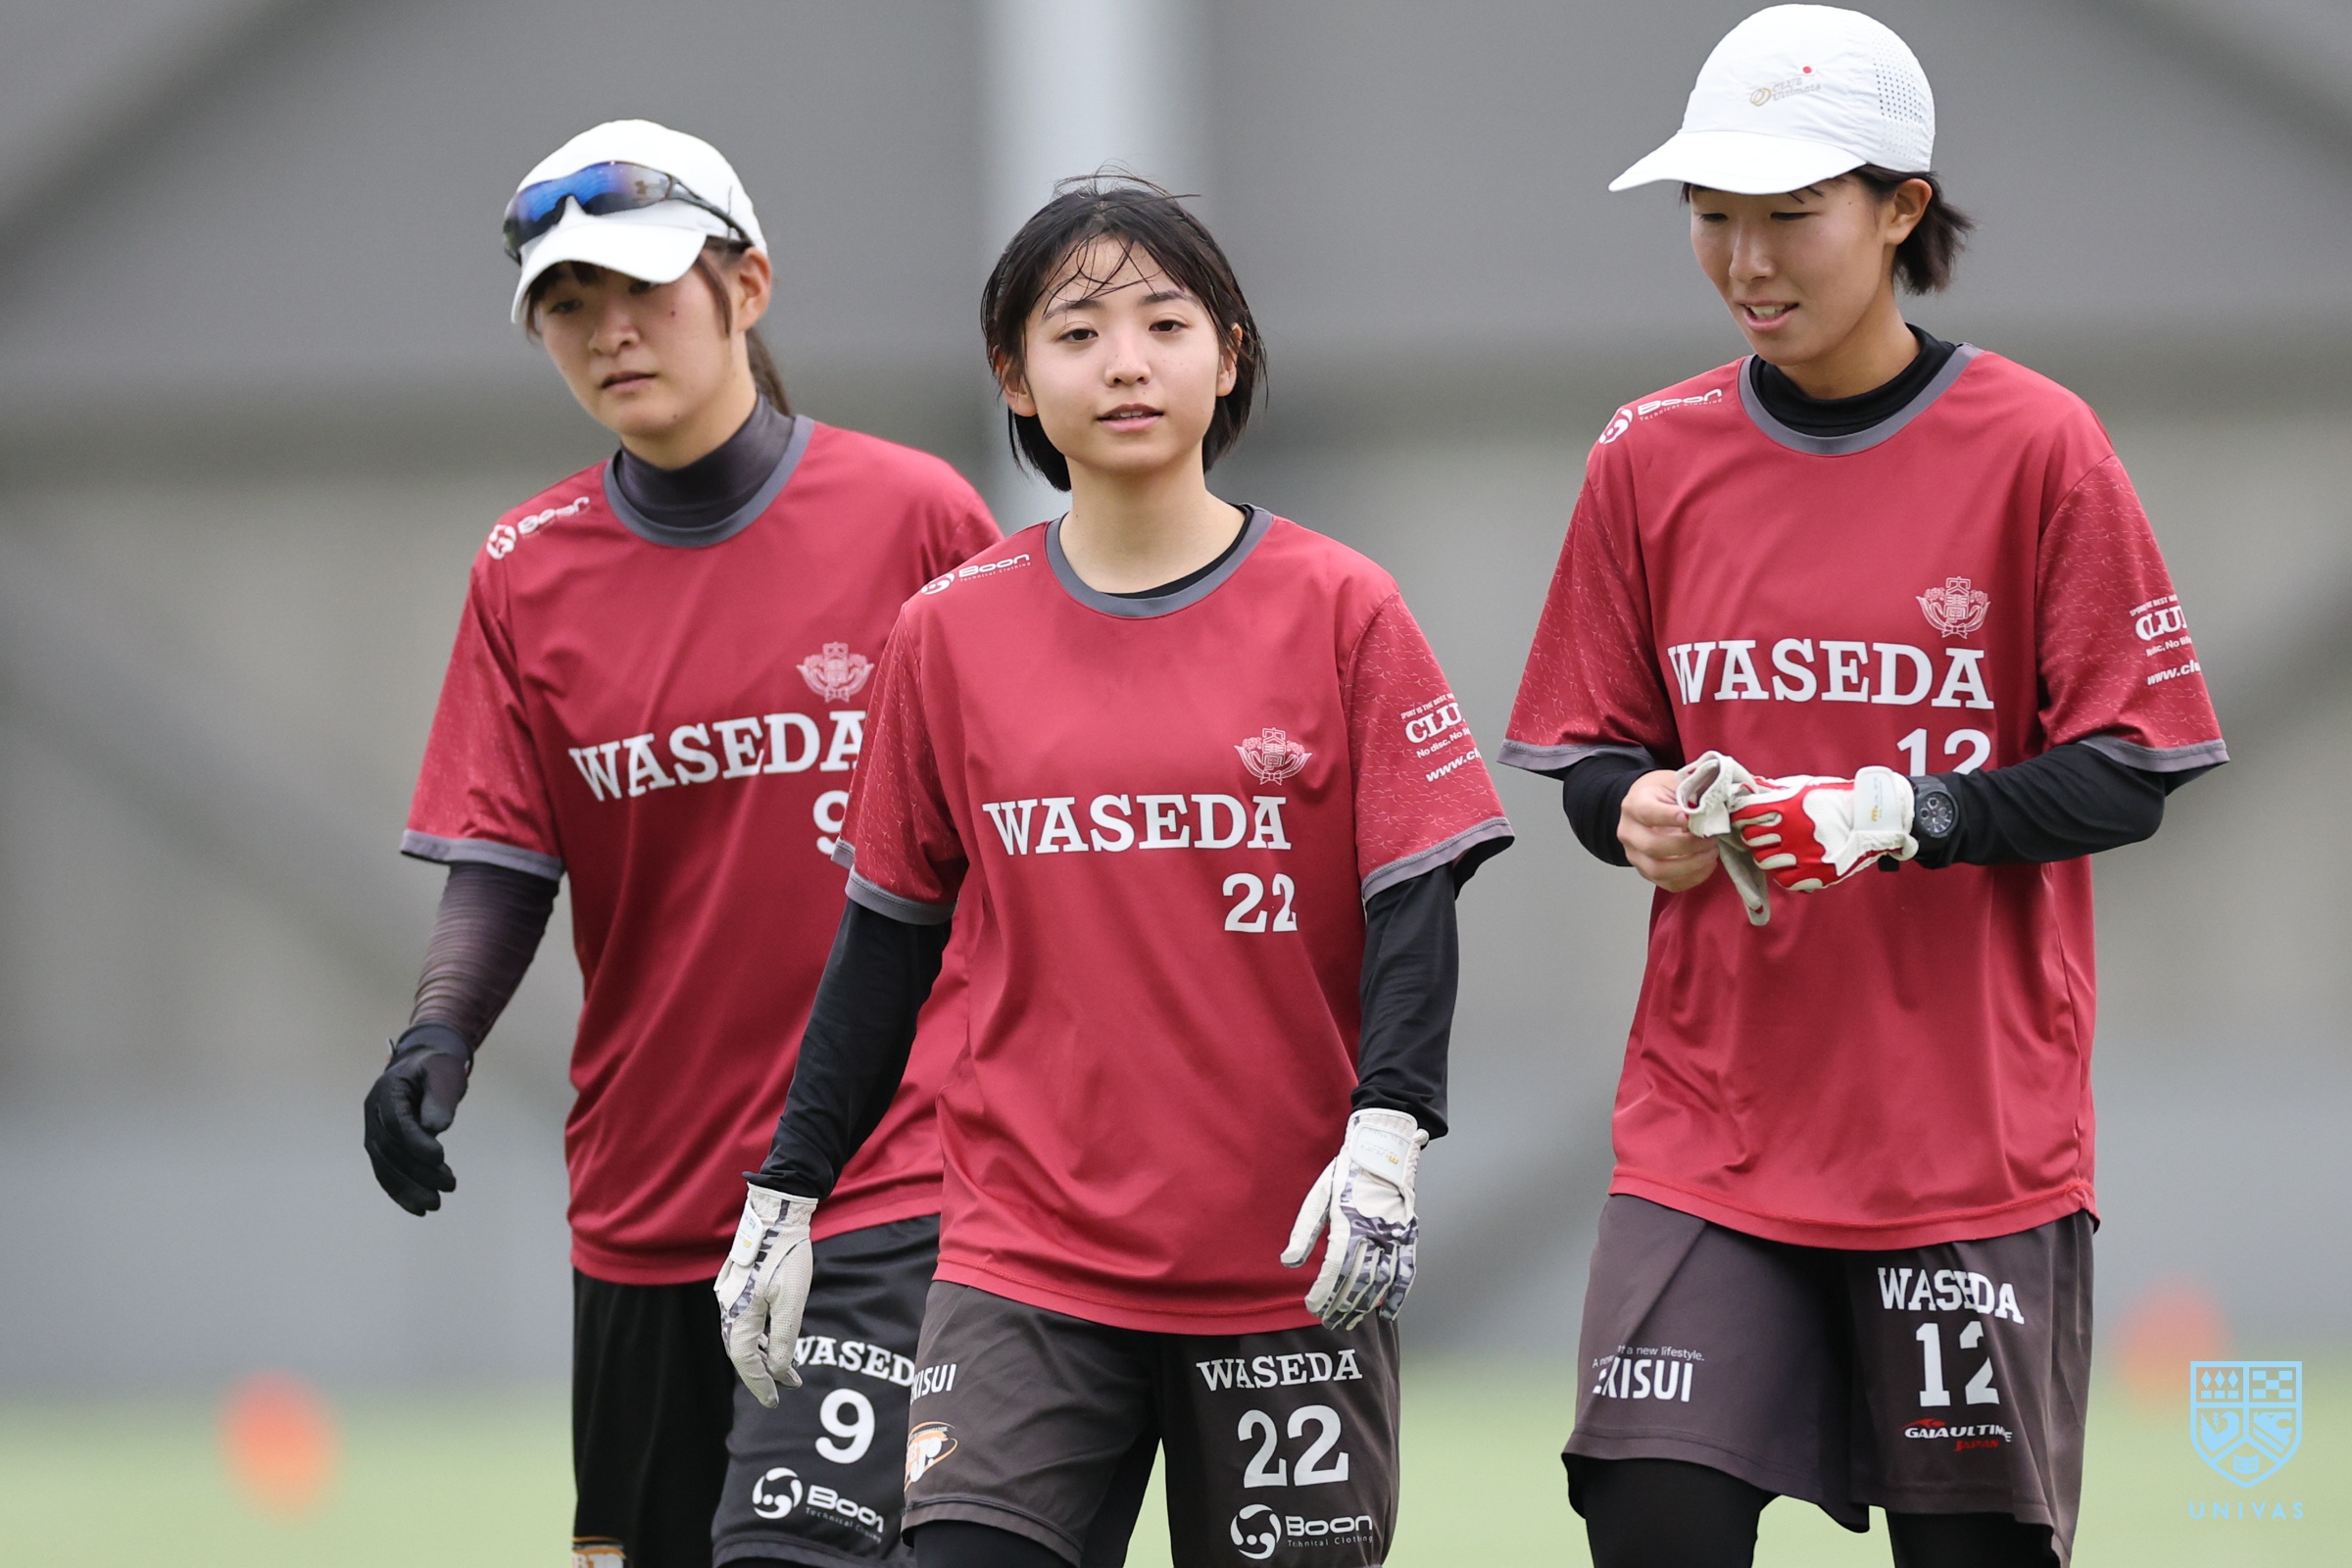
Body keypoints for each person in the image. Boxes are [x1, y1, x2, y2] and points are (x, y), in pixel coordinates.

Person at [1498, 9, 2224, 1568]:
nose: (1746, 259)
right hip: (1709, 1137)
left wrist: (1910, 814)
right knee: (1649, 1512)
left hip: (1968, 1149)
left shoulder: (2040, 446)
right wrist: (1632, 815)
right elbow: (1594, 754)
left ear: (1902, 209)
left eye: (1790, 214)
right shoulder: (1648, 453)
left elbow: (2132, 768)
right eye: (1713, 216)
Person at [711, 178, 1513, 1568]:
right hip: (1024, 1267)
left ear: (1230, 357)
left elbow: (1414, 906)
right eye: (1077, 333)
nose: (1126, 363)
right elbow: (885, 945)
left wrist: (1390, 1136)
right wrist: (787, 1194)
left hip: (1283, 1268)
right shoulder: (946, 634)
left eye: (1165, 324)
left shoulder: (1344, 607)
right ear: (1016, 377)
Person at [362, 120, 1000, 1568]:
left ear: (746, 287)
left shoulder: (917, 519)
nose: (609, 332)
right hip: (643, 1206)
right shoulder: (524, 571)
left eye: (643, 289)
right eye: (566, 304)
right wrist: (436, 1037)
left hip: (885, 1177)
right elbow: (505, 855)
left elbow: (1022, 836)